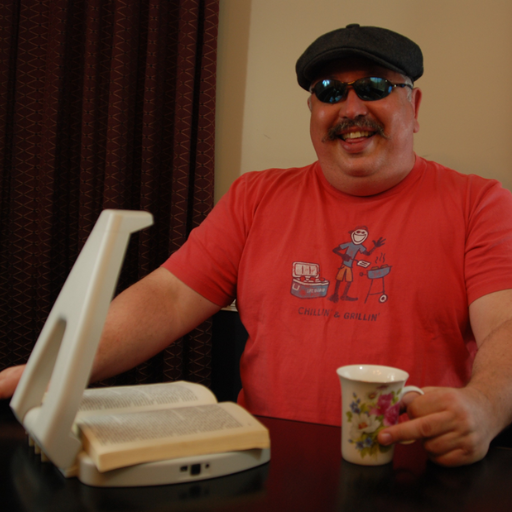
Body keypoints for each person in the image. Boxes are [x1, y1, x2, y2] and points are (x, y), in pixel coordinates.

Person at [2, 24, 512, 468]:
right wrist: (52, 372)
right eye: (330, 91)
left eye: (375, 87)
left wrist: (485, 407)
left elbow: (506, 325)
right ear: (313, 110)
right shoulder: (256, 195)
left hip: (412, 465)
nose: (351, 108)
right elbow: (169, 297)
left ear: (414, 105)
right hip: (264, 463)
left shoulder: (479, 202)